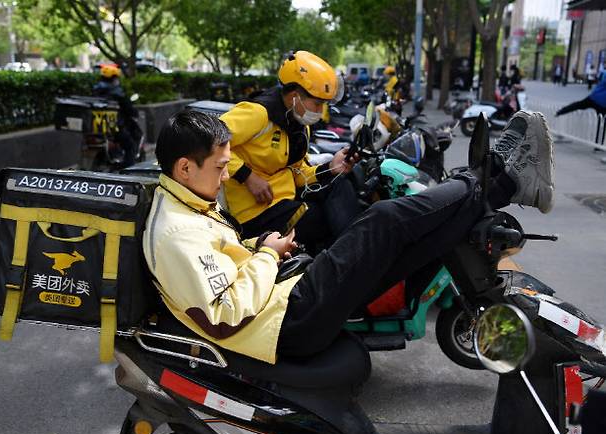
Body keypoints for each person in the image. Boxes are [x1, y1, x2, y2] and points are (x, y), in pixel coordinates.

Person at [142, 108, 554, 364]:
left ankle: (504, 185)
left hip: (286, 299)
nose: (228, 175)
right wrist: (267, 255)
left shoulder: (188, 202)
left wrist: (261, 249)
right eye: (220, 167)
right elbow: (225, 312)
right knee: (382, 221)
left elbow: (224, 267)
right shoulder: (177, 232)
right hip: (287, 321)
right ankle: (497, 173)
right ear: (184, 168)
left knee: (415, 249)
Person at [219, 51, 359, 250]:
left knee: (340, 184)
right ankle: (354, 256)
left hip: (284, 200)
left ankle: (356, 253)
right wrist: (247, 176)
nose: (320, 112)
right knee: (322, 221)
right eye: (317, 104)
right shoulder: (259, 113)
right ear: (295, 96)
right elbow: (209, 138)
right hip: (254, 214)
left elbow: (298, 174)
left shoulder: (299, 124)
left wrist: (330, 167)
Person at [92, 63, 140, 167]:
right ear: (114, 78)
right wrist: (134, 113)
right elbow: (128, 108)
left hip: (95, 128)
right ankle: (128, 171)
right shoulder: (117, 93)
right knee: (130, 146)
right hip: (114, 128)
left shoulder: (95, 90)